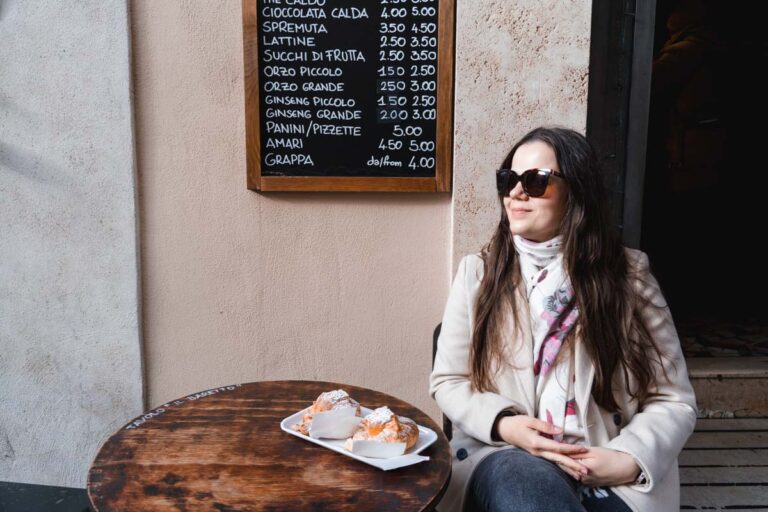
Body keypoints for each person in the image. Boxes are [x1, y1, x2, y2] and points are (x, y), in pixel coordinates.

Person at [429, 126, 698, 512]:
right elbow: (449, 381)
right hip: (507, 454)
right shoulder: (480, 274)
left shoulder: (628, 276)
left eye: (536, 181)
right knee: (525, 488)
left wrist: (628, 458)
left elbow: (673, 398)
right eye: (508, 179)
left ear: (577, 192)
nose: (516, 193)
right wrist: (506, 425)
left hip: (605, 466)